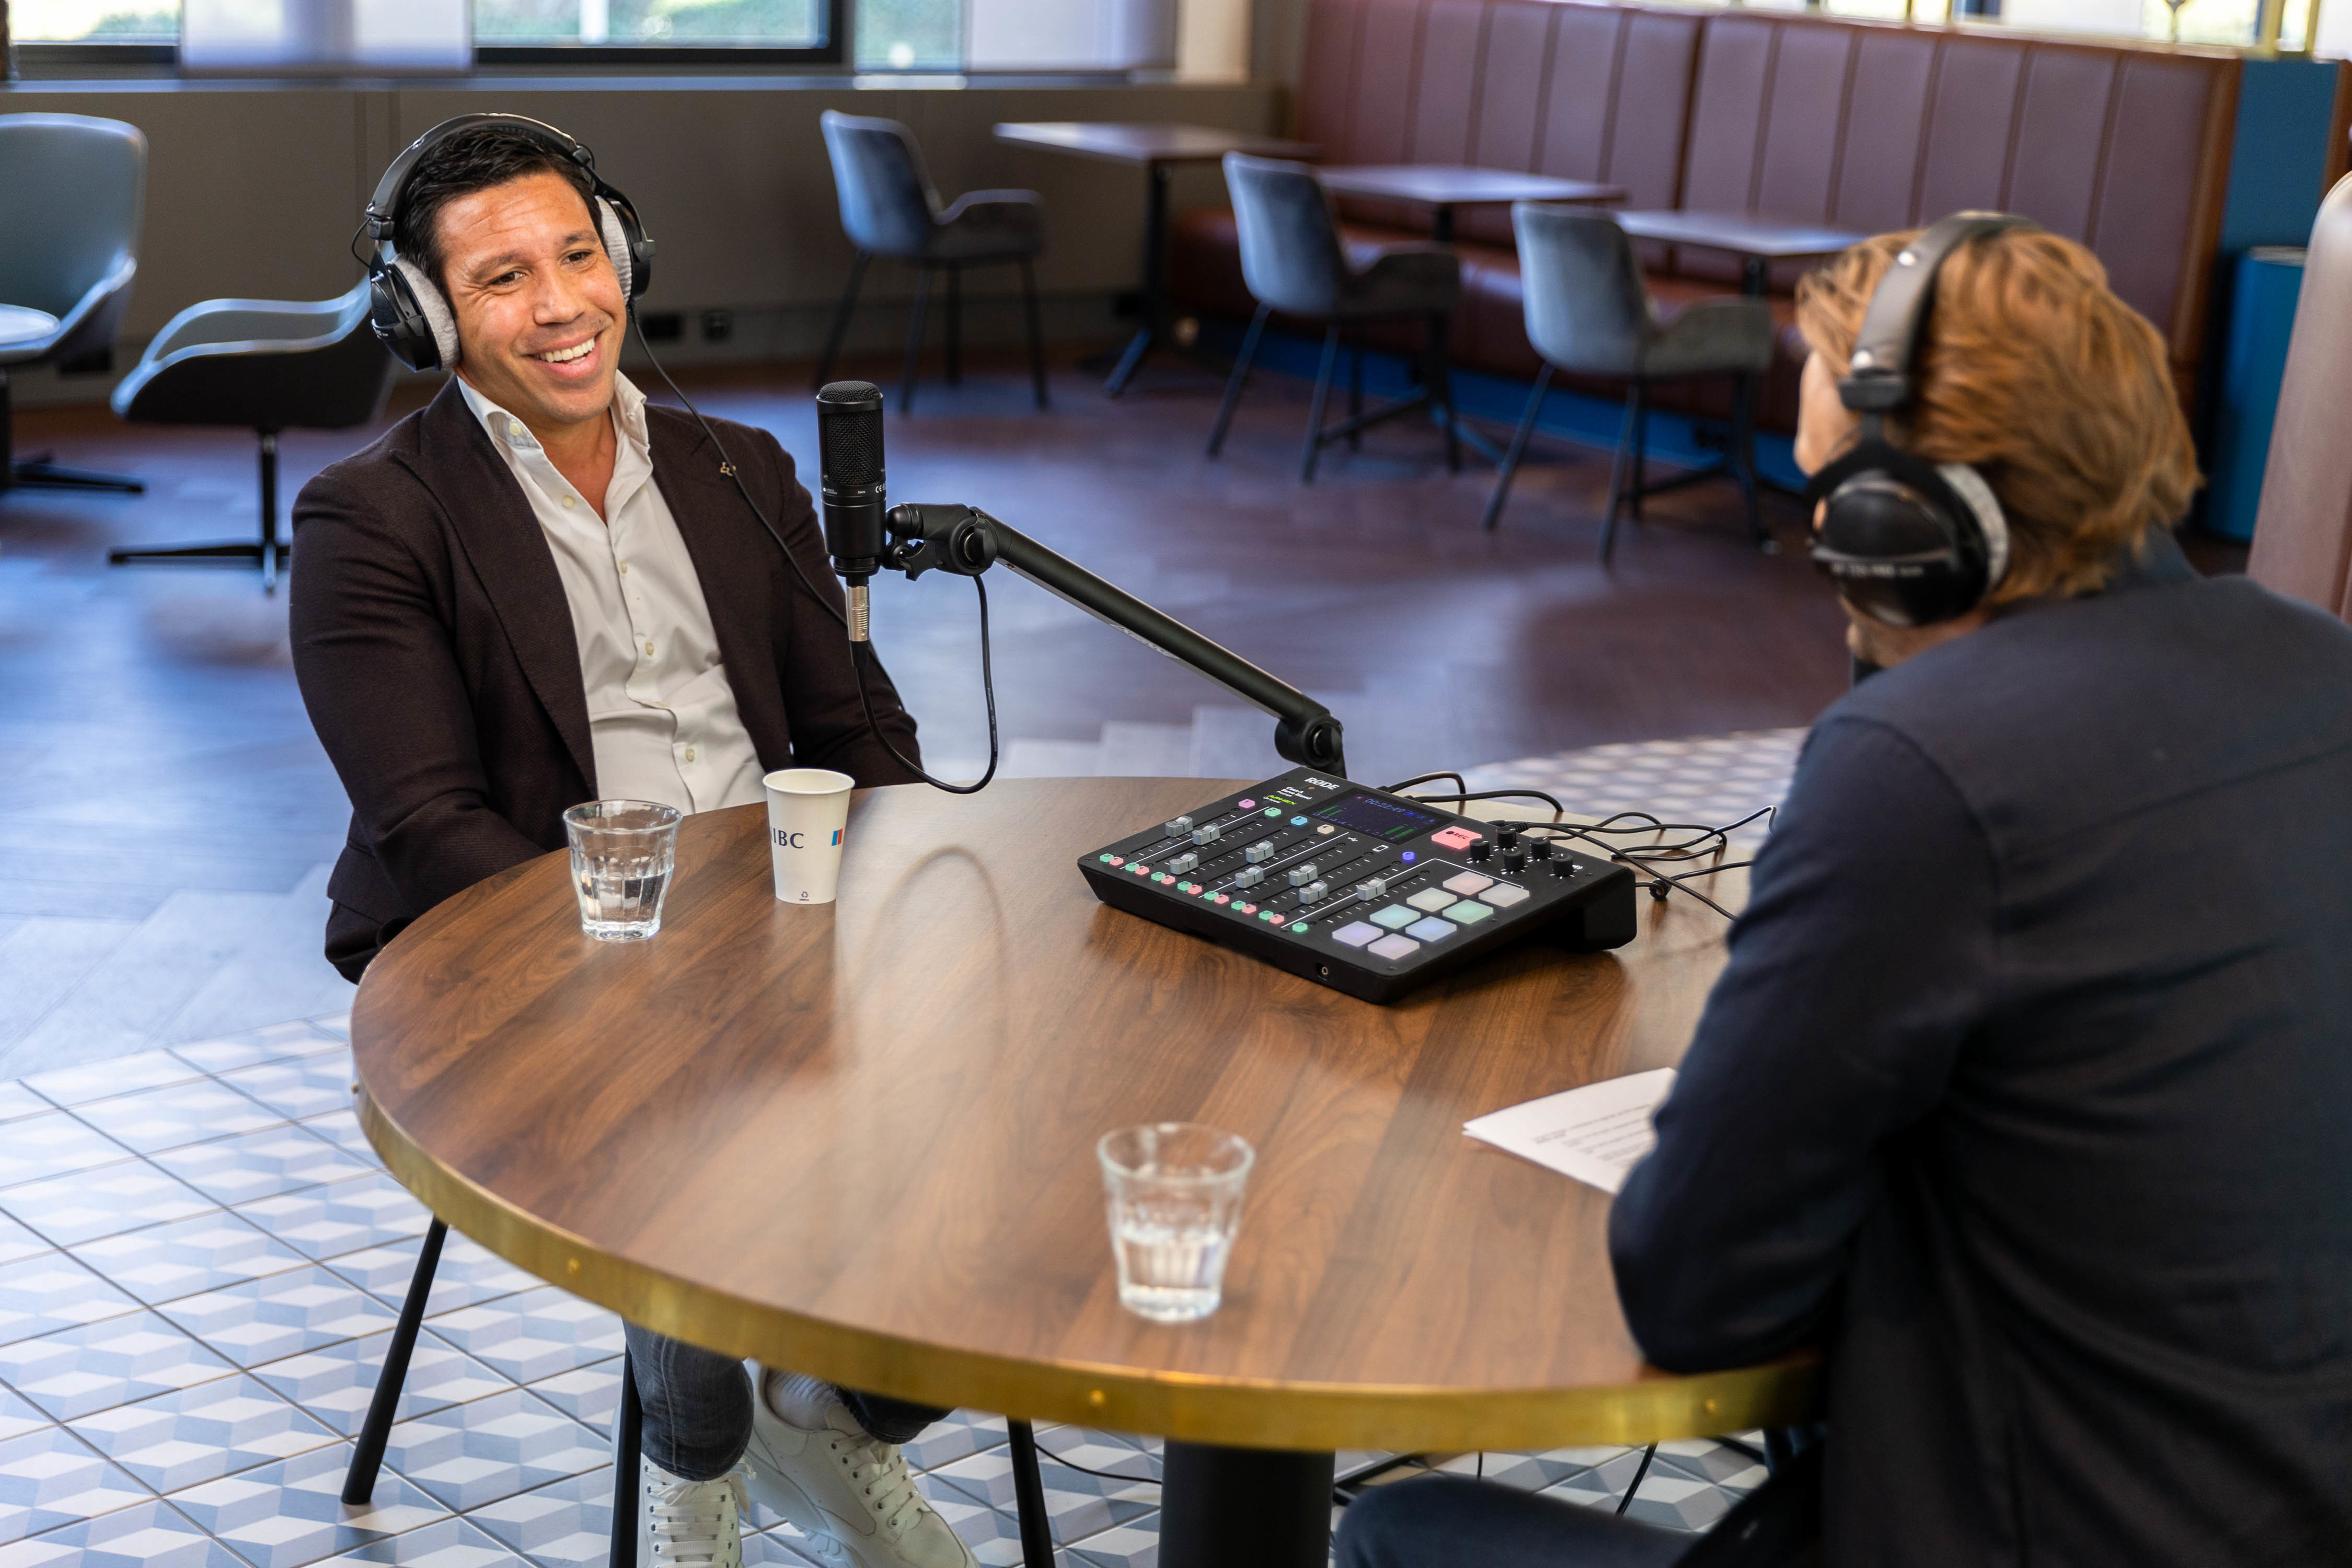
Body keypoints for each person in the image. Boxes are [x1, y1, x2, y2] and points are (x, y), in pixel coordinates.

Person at [1336, 221, 2352, 1566]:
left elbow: (1696, 1293)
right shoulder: (2323, 669)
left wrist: (1895, 712)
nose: (1822, 538)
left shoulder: (1928, 773)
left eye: (1838, 493)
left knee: (1405, 1531)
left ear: (1914, 529)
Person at [289, 119, 975, 1568]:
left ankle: (826, 1407)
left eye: (577, 255)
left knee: (1016, 1084)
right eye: (497, 280)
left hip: (780, 912)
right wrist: (654, 961)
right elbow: (425, 825)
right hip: (527, 930)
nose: (558, 306)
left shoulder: (739, 470)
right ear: (424, 317)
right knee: (672, 1103)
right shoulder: (371, 518)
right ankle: (697, 1465)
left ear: (624, 256)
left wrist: (897, 915)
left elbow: (864, 735)